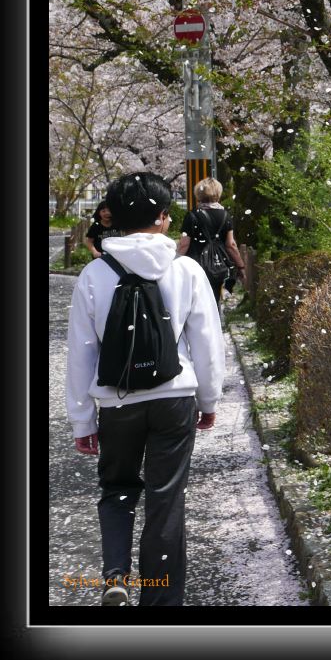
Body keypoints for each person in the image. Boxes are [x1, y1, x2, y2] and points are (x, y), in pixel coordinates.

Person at [66, 171, 225, 606]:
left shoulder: (94, 275)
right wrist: (208, 400)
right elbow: (207, 343)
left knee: (117, 490)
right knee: (165, 500)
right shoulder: (186, 270)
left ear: (112, 217)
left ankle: (116, 575)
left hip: (118, 401)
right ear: (162, 218)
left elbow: (81, 354)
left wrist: (82, 419)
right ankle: (160, 604)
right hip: (175, 398)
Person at [177, 177, 244, 309]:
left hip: (195, 265)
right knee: (213, 300)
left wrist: (174, 262)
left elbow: (184, 244)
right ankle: (214, 323)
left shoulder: (192, 215)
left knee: (195, 302)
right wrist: (240, 266)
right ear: (217, 193)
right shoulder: (225, 215)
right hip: (217, 266)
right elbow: (231, 245)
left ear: (198, 194)